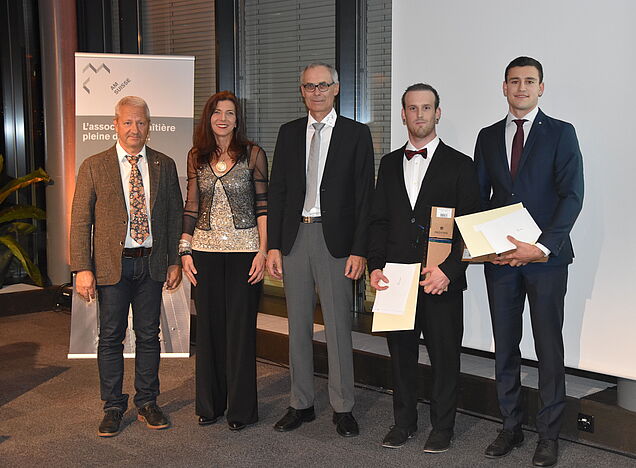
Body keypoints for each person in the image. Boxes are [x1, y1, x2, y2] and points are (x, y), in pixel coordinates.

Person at [474, 56, 584, 467]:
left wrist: (540, 247)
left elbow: (572, 196)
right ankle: (510, 427)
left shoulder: (561, 133)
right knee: (505, 345)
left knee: (548, 347)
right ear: (503, 87)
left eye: (529, 81)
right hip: (500, 261)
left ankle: (548, 435)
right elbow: (479, 198)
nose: (521, 88)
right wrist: (482, 245)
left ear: (541, 88)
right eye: (514, 81)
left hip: (546, 261)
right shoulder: (486, 137)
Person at [368, 83, 480, 452]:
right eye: (412, 108)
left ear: (438, 113)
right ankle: (403, 423)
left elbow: (470, 227)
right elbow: (379, 220)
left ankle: (442, 427)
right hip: (396, 278)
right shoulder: (386, 164)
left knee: (445, 356)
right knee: (401, 355)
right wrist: (375, 266)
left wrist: (449, 270)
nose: (419, 115)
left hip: (441, 278)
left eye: (426, 108)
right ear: (403, 114)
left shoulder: (462, 165)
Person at [266, 62, 374, 437]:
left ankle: (343, 406)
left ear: (337, 88)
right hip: (296, 238)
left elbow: (365, 197)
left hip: (337, 242)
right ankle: (301, 403)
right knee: (296, 326)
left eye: (323, 85)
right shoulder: (288, 133)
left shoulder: (357, 134)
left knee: (338, 327)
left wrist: (360, 250)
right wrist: (274, 246)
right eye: (309, 86)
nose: (316, 92)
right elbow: (278, 191)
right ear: (302, 91)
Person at [70, 95, 183, 437]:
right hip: (110, 267)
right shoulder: (94, 164)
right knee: (110, 337)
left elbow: (174, 215)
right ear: (116, 125)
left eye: (142, 122)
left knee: (149, 336)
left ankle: (147, 401)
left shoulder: (165, 164)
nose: (135, 129)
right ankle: (114, 406)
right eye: (128, 122)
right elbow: (79, 220)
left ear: (149, 126)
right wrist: (82, 268)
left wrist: (175, 260)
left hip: (151, 265)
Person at [179, 91, 267, 431]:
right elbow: (191, 205)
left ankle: (241, 410)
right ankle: (210, 405)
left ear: (237, 119)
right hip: (205, 252)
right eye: (218, 112)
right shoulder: (196, 156)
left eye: (230, 113)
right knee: (211, 330)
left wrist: (263, 249)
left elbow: (263, 206)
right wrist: (185, 249)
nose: (223, 118)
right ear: (208, 117)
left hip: (246, 252)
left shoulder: (253, 154)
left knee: (241, 331)